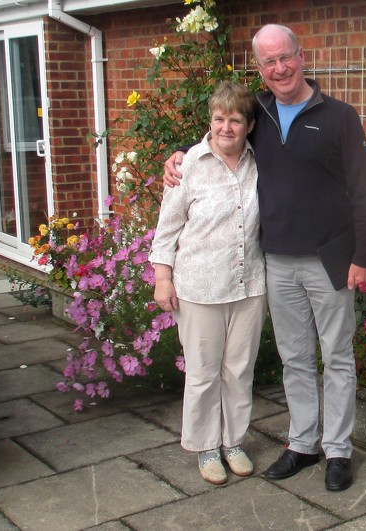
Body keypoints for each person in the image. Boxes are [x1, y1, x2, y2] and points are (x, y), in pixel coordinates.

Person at [164, 24, 366, 492]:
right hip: (277, 260)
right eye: (268, 62)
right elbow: (220, 134)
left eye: (285, 57)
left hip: (331, 258)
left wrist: (365, 254)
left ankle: (338, 451)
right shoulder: (258, 113)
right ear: (259, 69)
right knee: (295, 357)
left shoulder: (340, 116)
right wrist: (177, 155)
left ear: (301, 57)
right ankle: (303, 443)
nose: (279, 68)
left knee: (337, 356)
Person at [150, 81, 266, 485]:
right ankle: (205, 448)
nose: (226, 128)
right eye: (220, 119)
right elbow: (166, 231)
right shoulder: (188, 166)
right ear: (210, 121)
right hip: (199, 286)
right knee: (202, 372)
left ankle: (233, 442)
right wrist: (162, 279)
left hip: (249, 284)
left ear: (249, 125)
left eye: (235, 120)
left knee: (239, 370)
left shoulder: (260, 161)